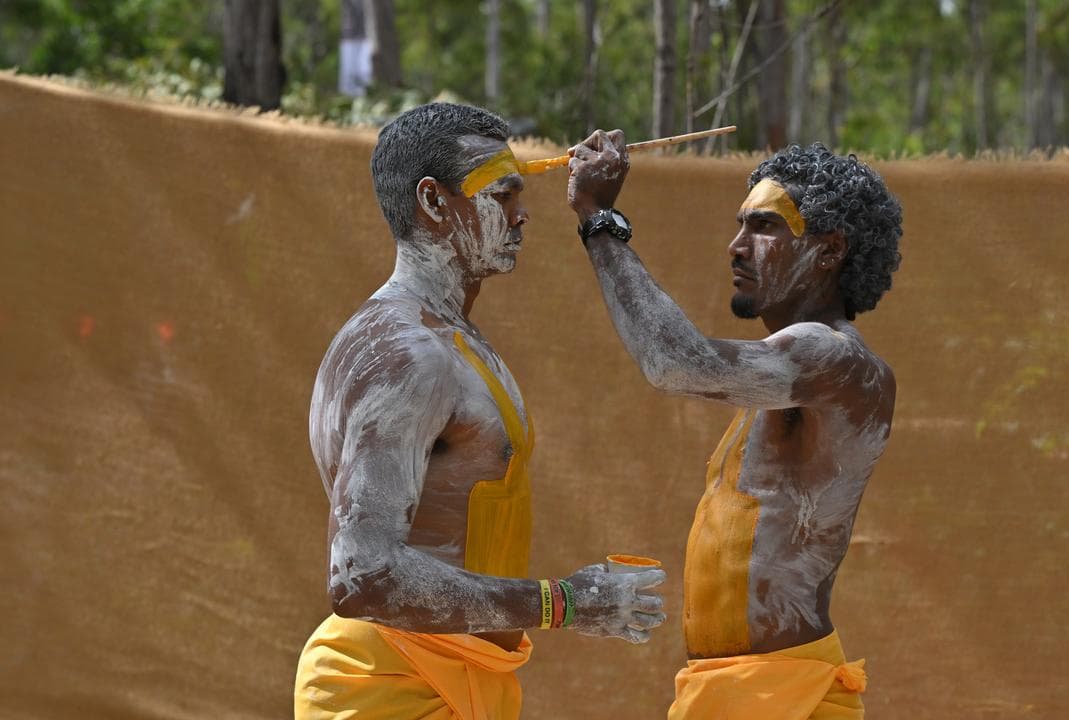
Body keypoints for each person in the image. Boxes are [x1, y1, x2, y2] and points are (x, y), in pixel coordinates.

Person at [295, 104, 666, 720]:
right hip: (390, 687)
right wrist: (565, 603)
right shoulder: (406, 354)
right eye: (502, 194)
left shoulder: (447, 339)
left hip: (455, 680)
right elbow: (363, 575)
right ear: (433, 202)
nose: (522, 214)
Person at [566, 131, 902, 720]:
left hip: (782, 694)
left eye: (764, 226)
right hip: (727, 691)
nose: (736, 246)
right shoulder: (781, 378)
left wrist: (601, 219)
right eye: (740, 225)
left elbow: (674, 363)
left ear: (828, 251)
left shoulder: (834, 358)